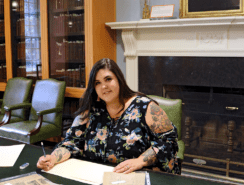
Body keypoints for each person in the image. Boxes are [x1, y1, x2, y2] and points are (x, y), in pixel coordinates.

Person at [37, 58, 180, 174]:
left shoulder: (145, 107)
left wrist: (139, 161)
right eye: (97, 83)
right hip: (97, 176)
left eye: (108, 79)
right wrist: (53, 158)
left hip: (139, 177)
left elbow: (169, 142)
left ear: (119, 79)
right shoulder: (90, 112)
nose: (104, 86)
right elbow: (71, 143)